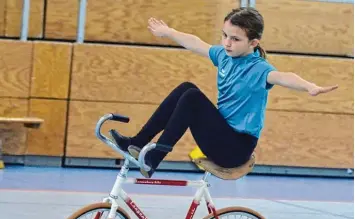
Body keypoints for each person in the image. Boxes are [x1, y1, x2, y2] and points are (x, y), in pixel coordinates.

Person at [112, 7, 338, 178]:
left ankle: (154, 157)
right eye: (225, 36)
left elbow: (283, 76)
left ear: (253, 43)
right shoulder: (224, 56)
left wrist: (309, 86)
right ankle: (138, 142)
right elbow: (196, 43)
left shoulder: (258, 68)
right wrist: (169, 32)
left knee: (192, 98)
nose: (227, 43)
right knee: (186, 88)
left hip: (236, 148)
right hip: (219, 136)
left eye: (235, 39)